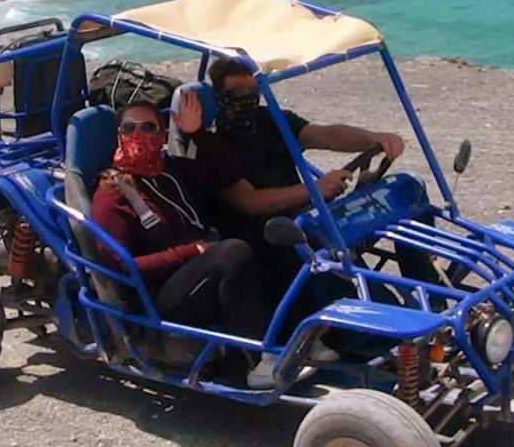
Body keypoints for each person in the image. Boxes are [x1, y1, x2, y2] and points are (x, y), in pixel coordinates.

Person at [88, 95, 332, 387]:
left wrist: (197, 132)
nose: (137, 136)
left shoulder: (171, 170)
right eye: (129, 128)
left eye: (148, 127)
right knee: (232, 253)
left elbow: (224, 172)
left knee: (271, 237)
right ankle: (254, 361)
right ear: (118, 135)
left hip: (197, 269)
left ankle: (298, 334)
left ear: (163, 134)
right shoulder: (111, 194)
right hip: (157, 296)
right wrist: (190, 251)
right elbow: (119, 269)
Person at [206, 58, 445, 285]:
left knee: (408, 190)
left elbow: (324, 134)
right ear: (218, 97)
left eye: (254, 91)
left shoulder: (269, 120)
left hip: (308, 222)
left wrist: (374, 139)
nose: (248, 100)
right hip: (270, 238)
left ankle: (427, 289)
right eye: (238, 94)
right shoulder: (212, 145)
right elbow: (251, 202)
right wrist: (314, 189)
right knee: (348, 277)